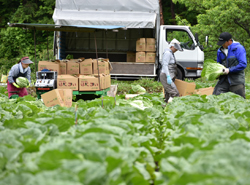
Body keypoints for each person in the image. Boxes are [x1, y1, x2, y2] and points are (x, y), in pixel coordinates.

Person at [213, 32, 247, 98]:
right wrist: (216, 73)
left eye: (223, 42)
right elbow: (218, 64)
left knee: (240, 102)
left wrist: (229, 70)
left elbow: (243, 64)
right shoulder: (220, 51)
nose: (222, 44)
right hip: (223, 80)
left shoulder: (238, 48)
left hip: (236, 80)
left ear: (229, 41)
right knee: (215, 98)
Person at [160, 38, 183, 103]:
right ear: (172, 46)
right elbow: (165, 65)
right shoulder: (167, 53)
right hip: (166, 76)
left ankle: (166, 106)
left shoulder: (171, 53)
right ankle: (172, 106)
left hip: (170, 75)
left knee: (168, 93)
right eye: (175, 48)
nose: (176, 50)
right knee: (175, 93)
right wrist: (168, 76)